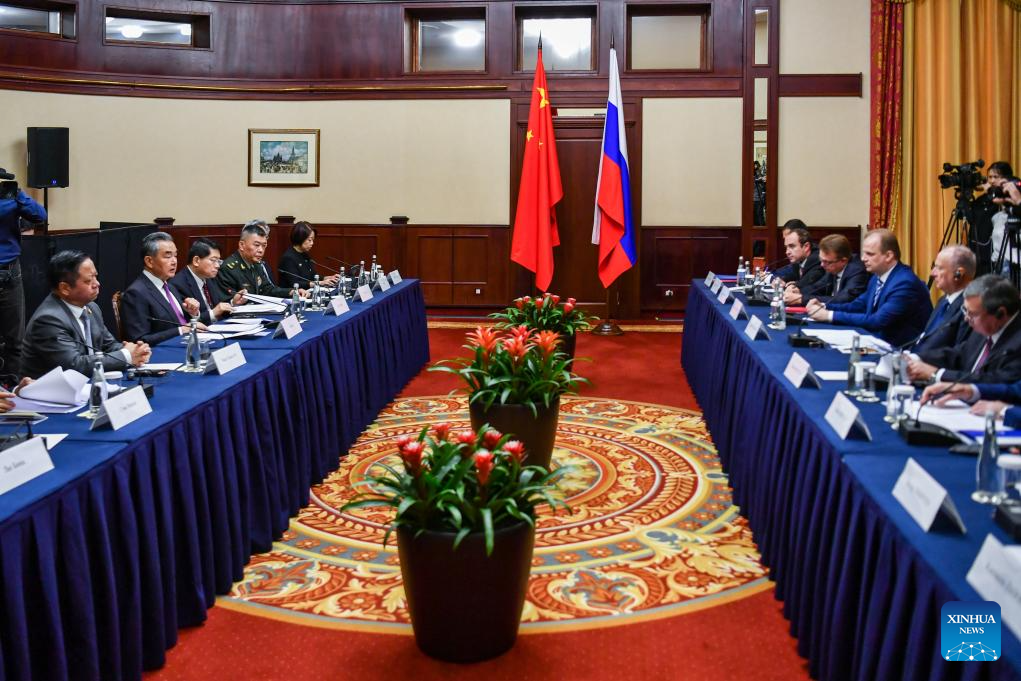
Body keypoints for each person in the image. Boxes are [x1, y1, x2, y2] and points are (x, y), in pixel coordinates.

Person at [21, 250, 151, 378]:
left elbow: (108, 346)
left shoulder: (91, 307)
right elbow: (74, 365)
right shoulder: (49, 320)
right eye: (88, 280)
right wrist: (126, 355)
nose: (97, 284)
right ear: (65, 288)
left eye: (96, 276)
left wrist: (136, 351)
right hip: (51, 389)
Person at [805, 229, 932, 347]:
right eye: (864, 253)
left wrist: (829, 315)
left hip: (900, 350)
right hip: (878, 342)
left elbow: (877, 321)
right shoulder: (877, 276)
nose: (863, 258)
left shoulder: (904, 283)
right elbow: (859, 305)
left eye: (870, 254)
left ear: (888, 256)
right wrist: (824, 306)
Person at [907, 275, 1021, 384]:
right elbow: (958, 355)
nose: (966, 318)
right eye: (965, 310)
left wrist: (937, 374)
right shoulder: (985, 327)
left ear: (1000, 313)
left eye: (972, 314)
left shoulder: (1017, 343)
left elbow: (995, 381)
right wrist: (915, 359)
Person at [0, 177, 47, 381]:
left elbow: (40, 216)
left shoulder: (11, 197)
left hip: (10, 272)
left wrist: (18, 194)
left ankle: (14, 387)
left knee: (15, 340)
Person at [120, 232, 204, 345]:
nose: (174, 261)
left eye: (175, 255)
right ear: (149, 261)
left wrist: (193, 313)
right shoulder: (136, 293)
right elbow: (140, 340)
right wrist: (181, 330)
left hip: (187, 345)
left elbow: (179, 321)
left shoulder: (170, 286)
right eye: (168, 256)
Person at [911, 245, 975, 357]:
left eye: (939, 268)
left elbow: (957, 355)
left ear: (958, 273)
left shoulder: (970, 309)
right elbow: (926, 338)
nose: (932, 273)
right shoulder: (943, 301)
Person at [218, 222, 303, 299]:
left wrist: (291, 292)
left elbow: (267, 289)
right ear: (242, 245)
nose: (261, 250)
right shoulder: (229, 268)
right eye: (257, 245)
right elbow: (226, 301)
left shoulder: (256, 264)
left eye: (264, 246)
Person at [170, 237, 245, 324]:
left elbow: (219, 308)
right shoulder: (177, 285)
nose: (217, 266)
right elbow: (186, 322)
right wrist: (213, 313)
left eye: (219, 261)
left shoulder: (210, 278)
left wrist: (233, 303)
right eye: (213, 260)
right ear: (196, 261)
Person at [795, 234, 868, 306]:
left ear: (843, 261)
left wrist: (802, 299)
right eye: (821, 260)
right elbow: (817, 287)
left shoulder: (857, 271)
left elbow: (844, 299)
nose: (822, 265)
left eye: (826, 262)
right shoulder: (832, 268)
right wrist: (797, 291)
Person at [277, 221, 339, 289]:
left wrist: (327, 278)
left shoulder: (304, 255)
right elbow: (295, 283)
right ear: (300, 238)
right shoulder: (288, 258)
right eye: (309, 240)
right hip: (293, 294)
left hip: (306, 293)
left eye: (313, 240)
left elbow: (313, 276)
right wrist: (320, 283)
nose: (312, 243)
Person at [779, 226, 825, 305]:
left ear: (806, 247)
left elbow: (809, 282)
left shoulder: (817, 260)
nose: (787, 252)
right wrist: (783, 280)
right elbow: (792, 276)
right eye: (786, 247)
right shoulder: (798, 261)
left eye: (792, 246)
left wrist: (796, 285)